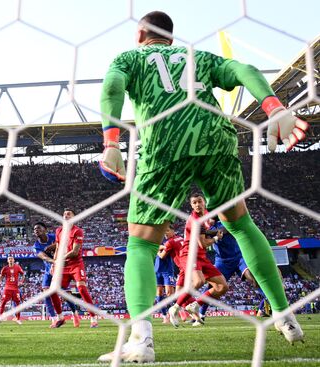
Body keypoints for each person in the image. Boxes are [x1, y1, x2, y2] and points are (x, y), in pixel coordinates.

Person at [97, 10, 307, 363]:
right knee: (240, 223)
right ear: (171, 39)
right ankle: (284, 314)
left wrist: (111, 144)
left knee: (141, 243)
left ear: (140, 35)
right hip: (217, 136)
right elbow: (245, 70)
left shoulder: (130, 57)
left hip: (165, 142)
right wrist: (274, 108)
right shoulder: (196, 57)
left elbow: (113, 86)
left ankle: (142, 340)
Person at [168, 193, 228, 328]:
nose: (197, 205)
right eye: (194, 203)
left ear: (204, 202)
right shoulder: (195, 220)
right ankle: (175, 308)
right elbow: (204, 244)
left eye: (199, 201)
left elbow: (206, 233)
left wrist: (215, 231)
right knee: (199, 281)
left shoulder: (205, 215)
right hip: (189, 254)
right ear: (191, 205)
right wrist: (217, 237)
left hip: (201, 256)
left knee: (222, 287)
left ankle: (195, 305)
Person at [198, 215, 263, 321]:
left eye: (207, 218)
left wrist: (202, 232)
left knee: (253, 279)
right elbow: (203, 242)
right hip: (222, 261)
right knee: (212, 287)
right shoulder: (207, 229)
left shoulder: (224, 223)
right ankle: (200, 314)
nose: (206, 221)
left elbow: (222, 231)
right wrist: (203, 233)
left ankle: (267, 306)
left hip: (238, 258)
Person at [49, 209, 98, 328]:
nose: (65, 215)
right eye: (64, 214)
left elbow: (75, 252)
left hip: (76, 264)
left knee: (81, 288)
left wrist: (61, 259)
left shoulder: (78, 231)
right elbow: (58, 248)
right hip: (63, 266)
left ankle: (93, 317)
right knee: (52, 290)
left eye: (69, 214)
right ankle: (61, 318)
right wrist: (54, 263)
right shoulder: (59, 231)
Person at [33, 222, 81, 327]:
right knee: (46, 292)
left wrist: (52, 246)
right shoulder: (36, 245)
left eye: (39, 228)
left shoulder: (54, 237)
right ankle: (55, 318)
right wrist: (54, 262)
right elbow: (43, 257)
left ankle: (75, 313)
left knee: (64, 293)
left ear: (45, 229)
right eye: (35, 229)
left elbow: (65, 244)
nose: (36, 230)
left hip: (61, 269)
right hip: (49, 270)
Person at [0, 256, 25, 324]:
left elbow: (23, 275)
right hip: (7, 288)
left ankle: (18, 319)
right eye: (9, 259)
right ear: (7, 261)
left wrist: (21, 282)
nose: (10, 260)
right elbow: (0, 278)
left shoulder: (17, 267)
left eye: (11, 259)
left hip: (15, 288)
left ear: (14, 260)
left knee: (18, 303)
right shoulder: (5, 268)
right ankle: (0, 318)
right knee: (3, 303)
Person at [154, 240, 175, 324]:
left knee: (169, 293)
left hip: (167, 271)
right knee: (159, 294)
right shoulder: (154, 240)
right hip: (157, 271)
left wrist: (158, 249)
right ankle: (164, 316)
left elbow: (164, 249)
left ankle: (172, 313)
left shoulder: (168, 241)